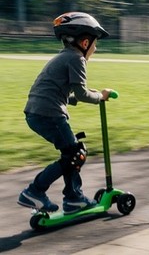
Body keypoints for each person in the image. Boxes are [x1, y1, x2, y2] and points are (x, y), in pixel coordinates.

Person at [17, 12, 112, 214]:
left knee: (72, 153)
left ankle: (73, 198)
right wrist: (101, 97)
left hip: (36, 112)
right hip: (49, 113)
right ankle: (36, 191)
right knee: (75, 154)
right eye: (95, 44)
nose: (95, 49)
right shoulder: (77, 59)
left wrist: (83, 96)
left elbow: (62, 93)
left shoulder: (63, 57)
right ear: (85, 42)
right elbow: (81, 93)